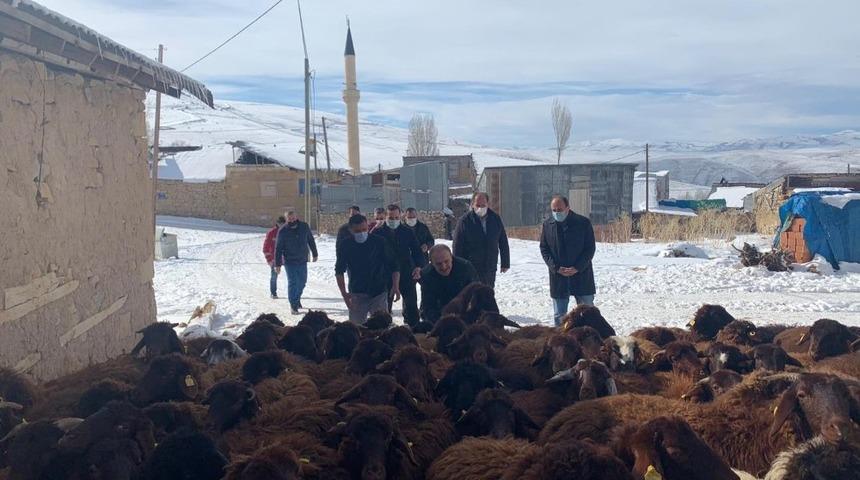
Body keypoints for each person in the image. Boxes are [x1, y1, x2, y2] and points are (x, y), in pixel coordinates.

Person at [539, 195, 596, 326]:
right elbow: (544, 248)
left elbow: (590, 249)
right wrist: (556, 268)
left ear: (568, 208)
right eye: (554, 210)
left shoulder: (583, 223)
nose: (557, 213)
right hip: (559, 277)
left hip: (582, 275)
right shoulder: (548, 225)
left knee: (588, 313)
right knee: (560, 316)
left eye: (560, 209)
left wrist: (577, 267)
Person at [336, 214, 400, 324]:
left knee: (382, 326)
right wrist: (344, 294)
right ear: (351, 230)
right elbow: (339, 271)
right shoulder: (346, 245)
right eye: (357, 231)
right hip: (357, 292)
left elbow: (394, 265)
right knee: (356, 328)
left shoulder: (379, 242)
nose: (361, 233)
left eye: (364, 229)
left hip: (379, 291)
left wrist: (395, 285)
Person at [373, 205, 426, 327]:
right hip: (385, 275)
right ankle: (383, 331)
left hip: (407, 272)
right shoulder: (378, 233)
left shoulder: (407, 231)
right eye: (391, 218)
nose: (394, 220)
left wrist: (419, 266)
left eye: (396, 217)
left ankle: (413, 329)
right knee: (384, 309)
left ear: (401, 216)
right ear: (386, 217)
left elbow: (417, 251)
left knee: (411, 307)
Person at [452, 192, 510, 288]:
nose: (481, 208)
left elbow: (503, 241)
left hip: (489, 266)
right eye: (478, 205)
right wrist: (457, 266)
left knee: (488, 293)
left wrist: (505, 262)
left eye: (483, 205)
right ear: (472, 205)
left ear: (488, 204)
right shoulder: (465, 221)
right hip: (470, 267)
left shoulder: (495, 219)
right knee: (473, 295)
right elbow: (457, 245)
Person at [419, 245, 478, 325]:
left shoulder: (466, 268)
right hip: (440, 314)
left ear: (452, 258)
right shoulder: (426, 274)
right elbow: (428, 306)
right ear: (432, 263)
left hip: (465, 313)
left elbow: (478, 295)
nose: (444, 267)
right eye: (439, 264)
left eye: (446, 261)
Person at [274, 211, 318, 315]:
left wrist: (315, 253)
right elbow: (278, 248)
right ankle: (293, 305)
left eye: (293, 218)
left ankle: (297, 298)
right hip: (290, 261)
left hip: (302, 259)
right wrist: (278, 264)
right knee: (293, 282)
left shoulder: (304, 226)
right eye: (289, 219)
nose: (292, 220)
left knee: (302, 282)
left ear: (296, 217)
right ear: (286, 219)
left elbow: (310, 240)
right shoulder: (283, 231)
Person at [263, 216, 286, 298]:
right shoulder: (271, 233)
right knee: (274, 276)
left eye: (283, 223)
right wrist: (269, 259)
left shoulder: (287, 232)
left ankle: (294, 295)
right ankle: (273, 292)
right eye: (280, 223)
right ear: (277, 223)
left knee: (292, 277)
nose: (281, 225)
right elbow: (265, 247)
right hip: (275, 259)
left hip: (287, 259)